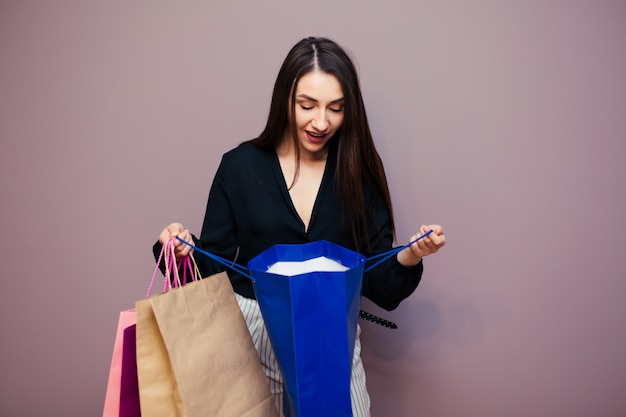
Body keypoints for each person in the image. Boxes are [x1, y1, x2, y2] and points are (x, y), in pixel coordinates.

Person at [156, 36, 446, 416]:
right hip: (253, 341)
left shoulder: (359, 171)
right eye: (307, 105)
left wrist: (410, 254)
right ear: (285, 101)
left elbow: (380, 287)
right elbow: (215, 272)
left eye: (336, 109)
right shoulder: (239, 167)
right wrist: (181, 246)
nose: (321, 122)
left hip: (333, 339)